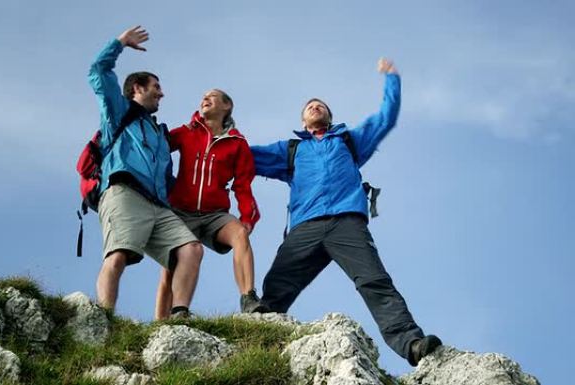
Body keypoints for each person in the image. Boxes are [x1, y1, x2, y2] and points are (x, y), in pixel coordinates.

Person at [250, 58, 441, 366]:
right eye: (310, 106)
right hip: (305, 227)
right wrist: (219, 133)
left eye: (320, 105)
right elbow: (243, 156)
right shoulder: (291, 150)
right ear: (302, 122)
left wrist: (392, 79)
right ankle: (255, 348)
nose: (315, 107)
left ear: (329, 116)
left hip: (347, 224)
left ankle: (412, 343)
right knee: (275, 289)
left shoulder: (349, 140)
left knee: (374, 281)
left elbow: (385, 118)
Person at [88, 25, 203, 318]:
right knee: (118, 255)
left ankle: (179, 315)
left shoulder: (159, 135)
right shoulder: (118, 112)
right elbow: (98, 72)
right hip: (124, 193)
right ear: (138, 88)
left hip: (158, 205)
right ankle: (105, 319)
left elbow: (167, 179)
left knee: (191, 249)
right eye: (156, 87)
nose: (161, 94)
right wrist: (120, 43)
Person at [154, 89, 265, 320]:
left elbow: (243, 185)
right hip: (180, 213)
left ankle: (248, 298)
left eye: (212, 96)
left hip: (215, 215)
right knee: (169, 268)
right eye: (203, 96)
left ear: (227, 106)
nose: (205, 98)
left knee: (240, 235)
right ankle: (162, 322)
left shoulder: (237, 143)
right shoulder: (186, 132)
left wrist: (247, 218)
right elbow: (155, 148)